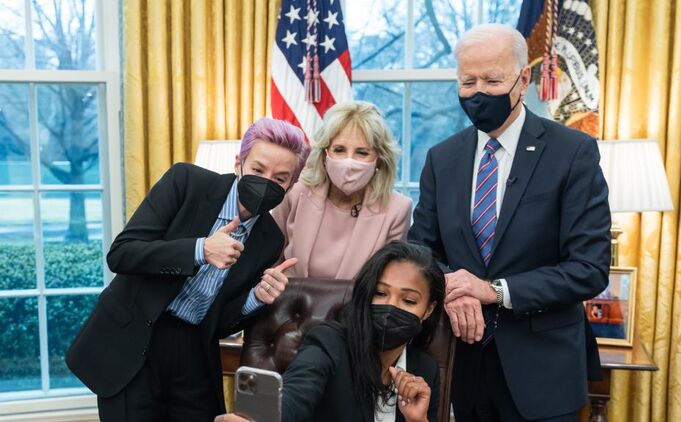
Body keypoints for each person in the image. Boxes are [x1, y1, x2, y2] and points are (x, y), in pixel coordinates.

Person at [408, 24, 611, 421]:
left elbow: (588, 268)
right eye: (468, 82)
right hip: (463, 365)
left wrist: (493, 291)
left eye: (493, 80)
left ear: (523, 79)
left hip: (544, 371)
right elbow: (421, 253)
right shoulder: (441, 158)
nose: (479, 92)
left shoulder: (573, 152)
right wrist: (454, 287)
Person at [66, 118, 311, 421]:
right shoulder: (186, 182)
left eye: (279, 178)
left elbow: (220, 323)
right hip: (135, 337)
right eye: (258, 170)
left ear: (290, 185)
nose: (266, 182)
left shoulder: (270, 238)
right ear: (239, 163)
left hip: (195, 351)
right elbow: (122, 254)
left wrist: (256, 297)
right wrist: (200, 250)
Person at [280, 240, 445, 422]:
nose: (391, 306)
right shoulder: (328, 342)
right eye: (380, 293)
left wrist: (418, 420)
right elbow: (293, 395)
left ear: (428, 310)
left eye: (409, 300)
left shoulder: (425, 370)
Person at [273, 101, 412, 279]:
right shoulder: (295, 193)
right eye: (339, 150)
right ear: (325, 154)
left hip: (358, 298)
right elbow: (269, 262)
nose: (349, 162)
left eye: (362, 152)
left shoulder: (398, 209)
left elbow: (388, 281)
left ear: (379, 159)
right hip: (289, 295)